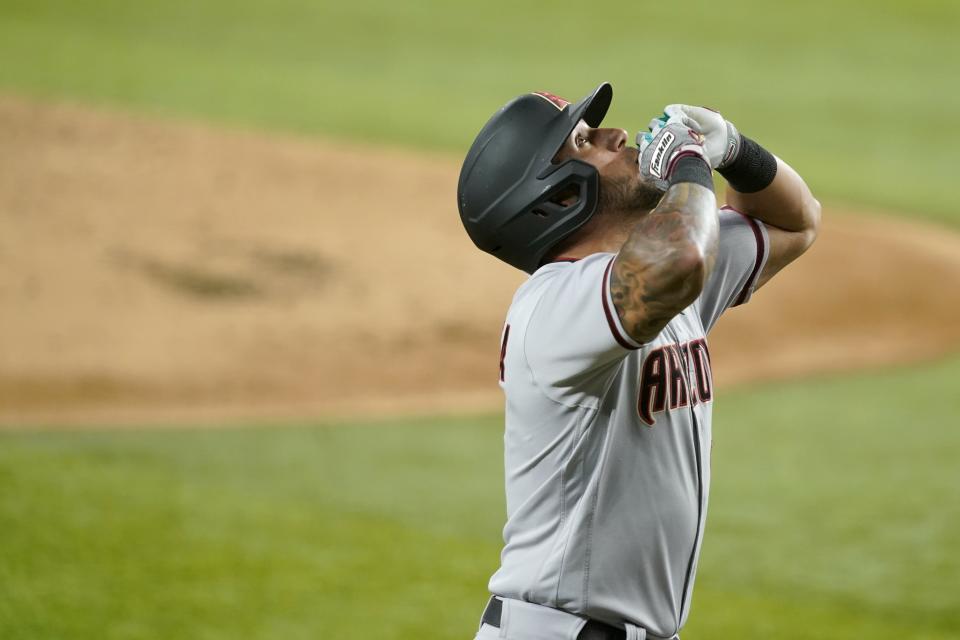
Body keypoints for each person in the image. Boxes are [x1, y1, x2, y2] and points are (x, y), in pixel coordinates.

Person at [456, 82, 820, 640]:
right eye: (584, 141)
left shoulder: (657, 279)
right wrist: (688, 167)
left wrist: (734, 152)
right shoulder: (556, 307)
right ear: (557, 198)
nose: (616, 134)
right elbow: (679, 259)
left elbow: (797, 223)